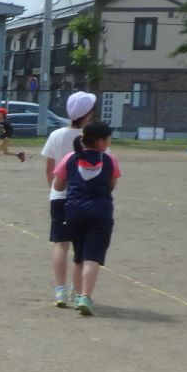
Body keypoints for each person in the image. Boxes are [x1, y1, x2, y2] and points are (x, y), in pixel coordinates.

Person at [52, 119, 121, 316]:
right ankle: (85, 296)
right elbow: (111, 184)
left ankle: (75, 294)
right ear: (100, 142)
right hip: (101, 210)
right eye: (108, 139)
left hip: (74, 210)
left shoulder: (70, 158)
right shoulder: (109, 160)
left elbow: (58, 186)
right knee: (93, 257)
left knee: (79, 255)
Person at [41, 91, 99, 306]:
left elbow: (49, 169)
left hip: (59, 196)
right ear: (88, 113)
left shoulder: (56, 135)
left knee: (60, 244)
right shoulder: (94, 137)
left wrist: (54, 191)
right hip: (84, 198)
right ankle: (77, 292)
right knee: (81, 248)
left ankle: (59, 292)